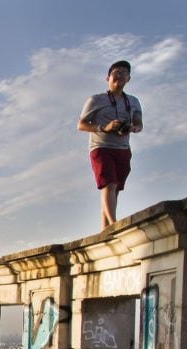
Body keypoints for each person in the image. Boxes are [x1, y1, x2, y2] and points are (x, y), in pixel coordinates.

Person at [78, 60, 143, 228]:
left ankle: (105, 230)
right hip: (101, 147)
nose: (120, 76)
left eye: (124, 73)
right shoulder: (95, 100)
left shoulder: (134, 101)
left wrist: (133, 127)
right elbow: (81, 125)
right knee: (109, 184)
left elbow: (139, 123)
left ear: (129, 79)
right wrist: (104, 127)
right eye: (116, 73)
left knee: (114, 190)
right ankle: (114, 225)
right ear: (107, 77)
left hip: (123, 148)